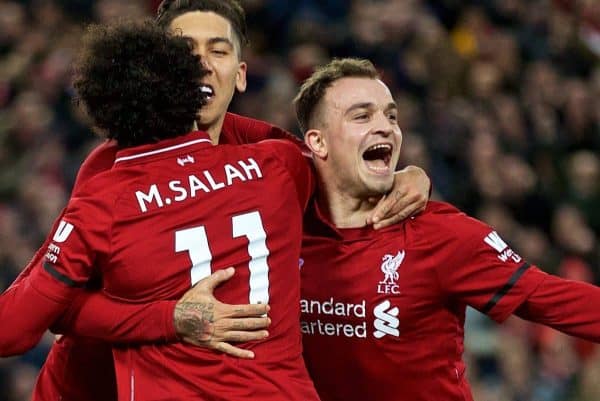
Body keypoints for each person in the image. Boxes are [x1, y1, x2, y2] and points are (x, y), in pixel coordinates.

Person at [5, 1, 431, 400]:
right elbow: (60, 310)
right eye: (184, 51)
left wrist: (403, 176)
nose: (202, 65)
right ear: (159, 67)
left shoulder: (267, 151)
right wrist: (170, 318)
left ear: (241, 74)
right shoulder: (111, 171)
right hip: (93, 386)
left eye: (218, 51)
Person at [294, 57, 600, 401]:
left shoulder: (442, 234)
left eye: (391, 115)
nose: (386, 128)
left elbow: (547, 297)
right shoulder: (283, 229)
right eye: (362, 116)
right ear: (317, 143)